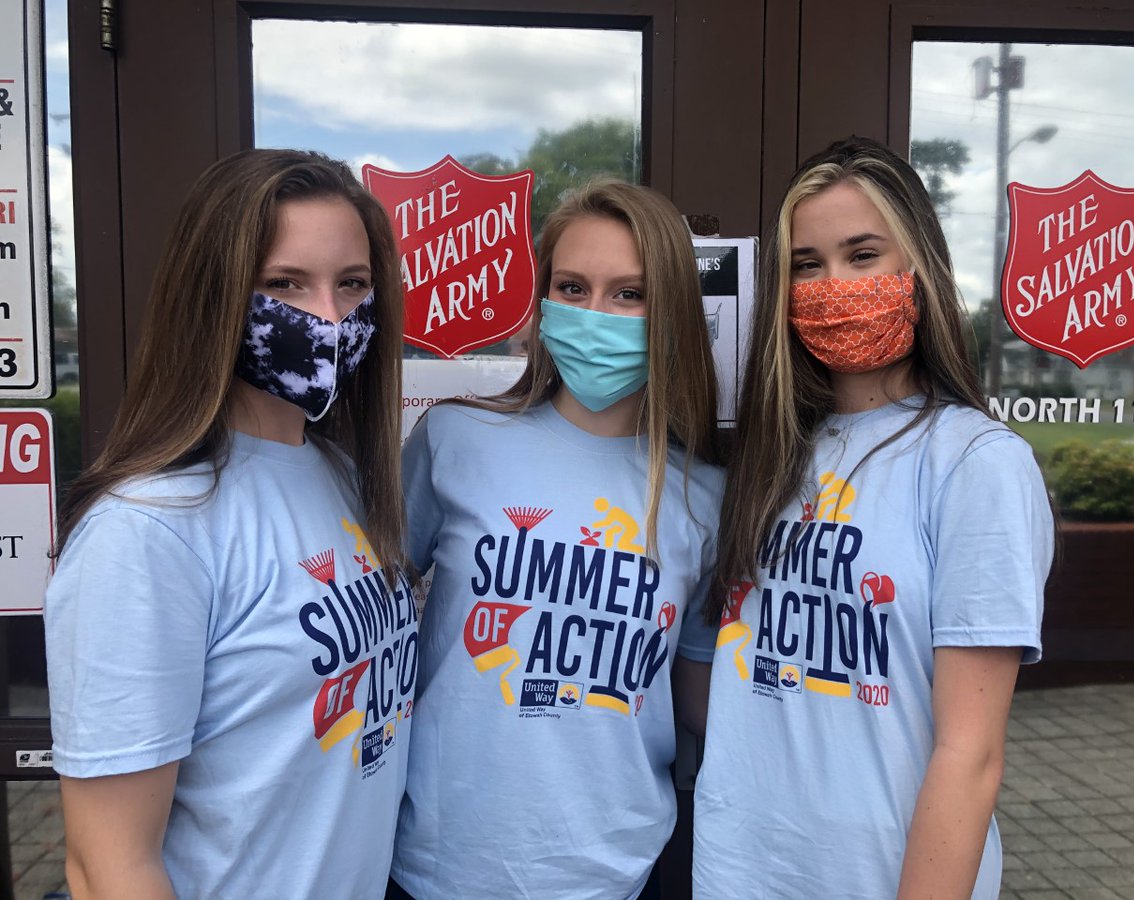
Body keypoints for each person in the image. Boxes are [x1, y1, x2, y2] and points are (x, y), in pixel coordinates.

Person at [44, 149, 418, 899]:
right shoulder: (147, 532)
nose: (329, 317)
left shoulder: (344, 476)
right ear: (215, 295)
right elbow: (108, 866)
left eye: (352, 285)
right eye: (285, 283)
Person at [692, 136, 1053, 899]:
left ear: (918, 266)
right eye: (807, 264)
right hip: (739, 869)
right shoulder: (769, 460)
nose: (834, 285)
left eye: (863, 254)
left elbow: (972, 753)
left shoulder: (975, 462)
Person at [391, 179, 723, 899]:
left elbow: (700, 691)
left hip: (612, 868)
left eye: (629, 294)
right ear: (542, 303)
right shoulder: (456, 438)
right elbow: (368, 621)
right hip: (441, 862)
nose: (595, 315)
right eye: (572, 288)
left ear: (671, 311)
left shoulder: (704, 497)